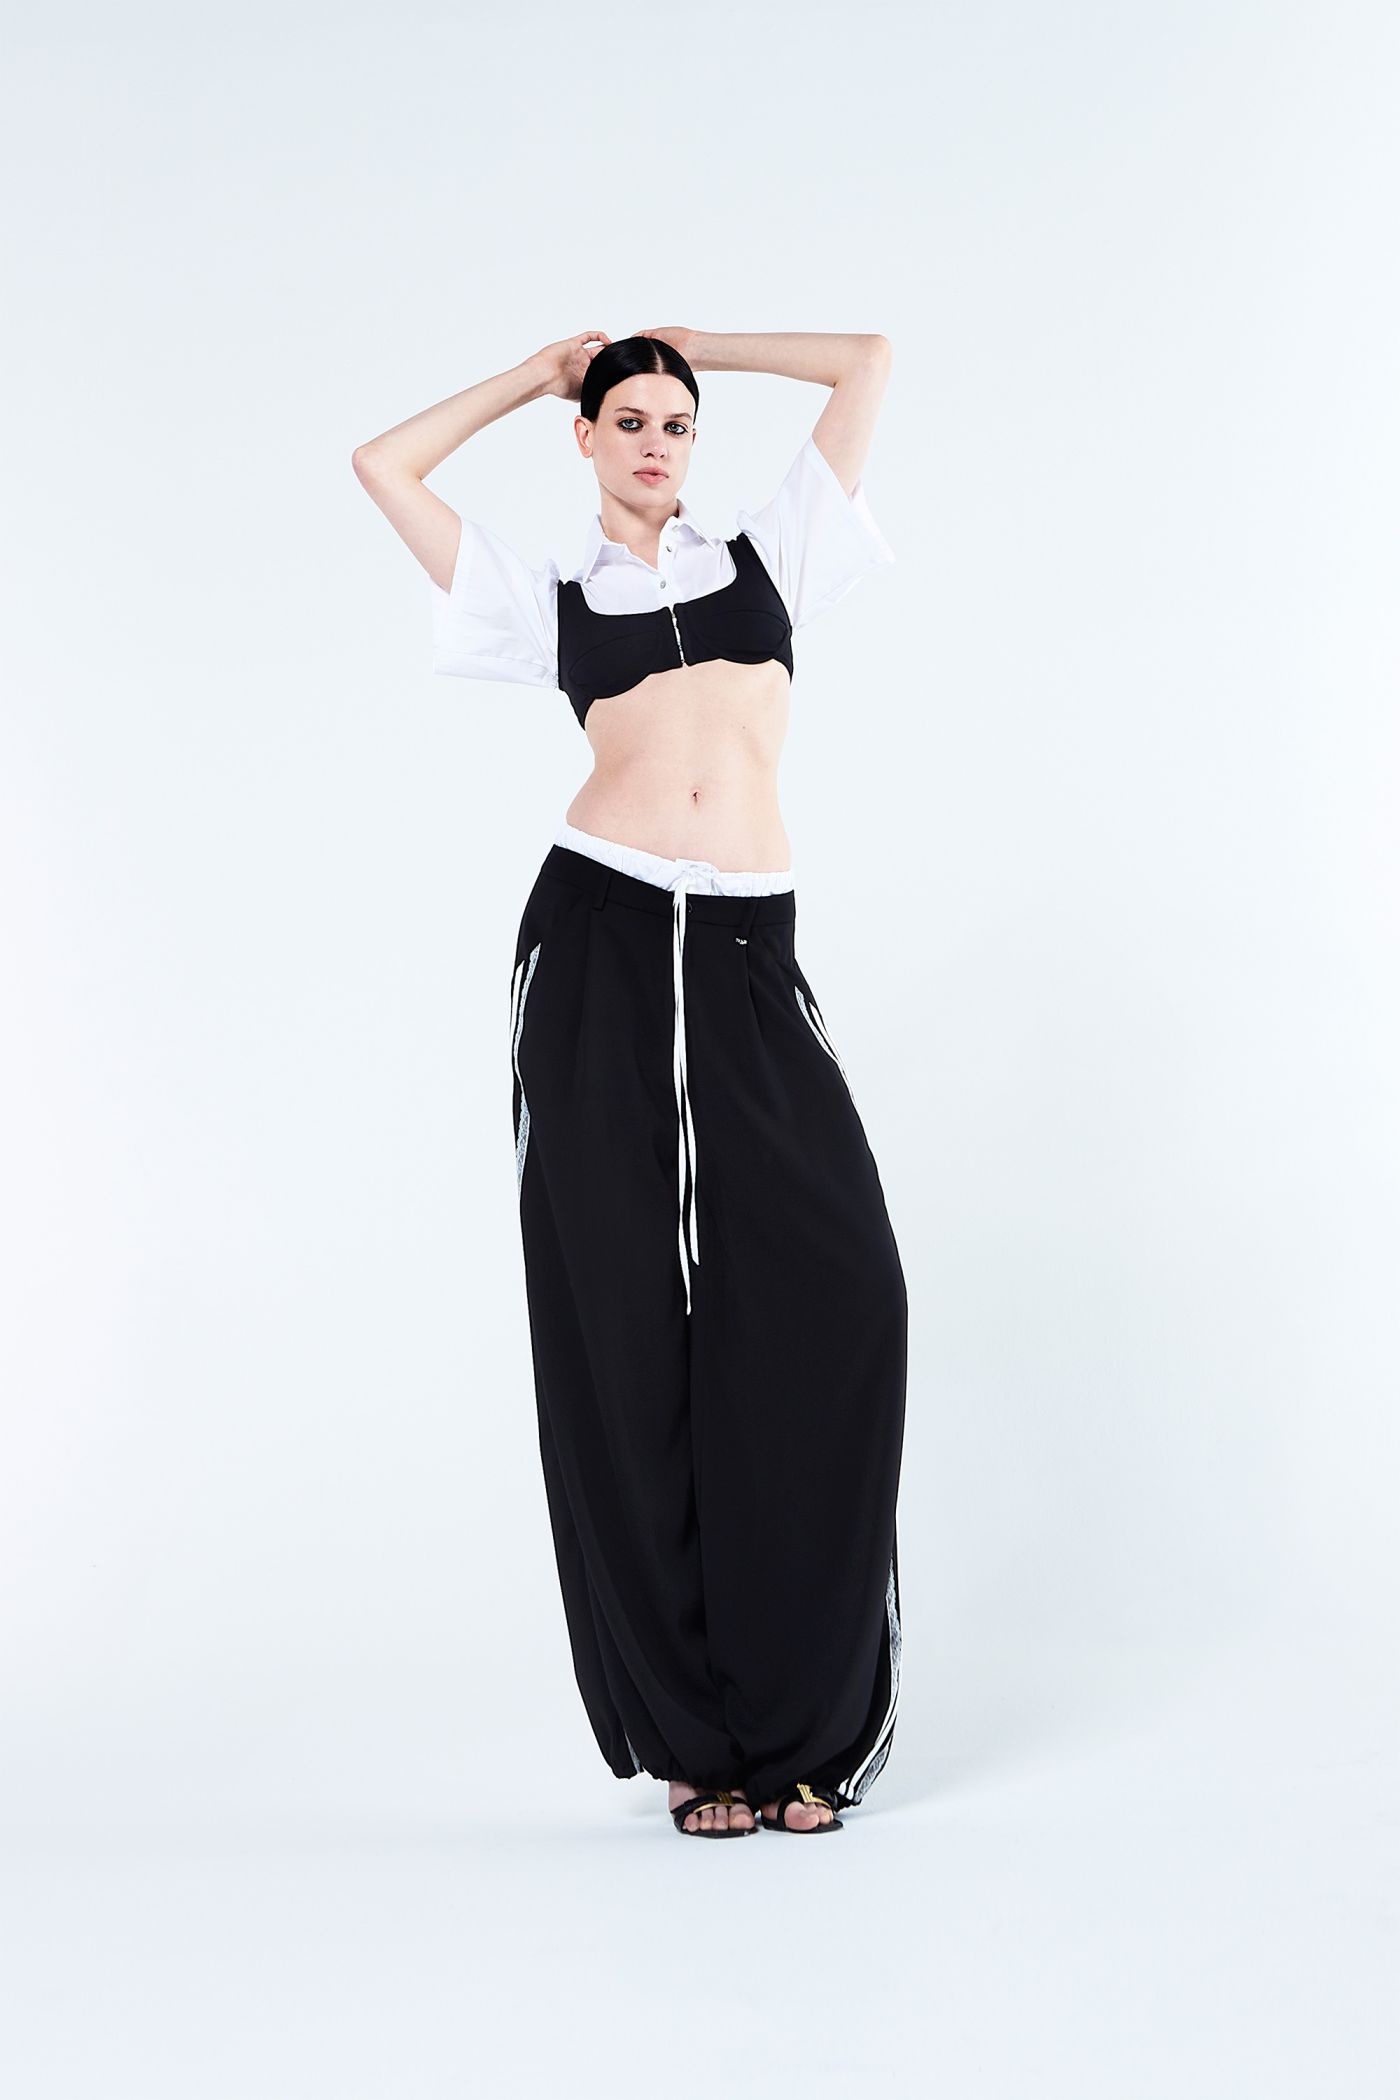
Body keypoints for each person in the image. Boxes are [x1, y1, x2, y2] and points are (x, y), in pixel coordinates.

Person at [352, 327, 907, 1838]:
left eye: (679, 422)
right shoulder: (552, 602)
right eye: (631, 420)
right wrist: (536, 375)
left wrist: (694, 340)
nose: (659, 443)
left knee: (843, 1293)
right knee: (622, 1328)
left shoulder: (770, 557)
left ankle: (804, 1727)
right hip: (599, 942)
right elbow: (381, 466)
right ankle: (694, 1740)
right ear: (588, 440)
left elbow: (867, 361)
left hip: (742, 954)